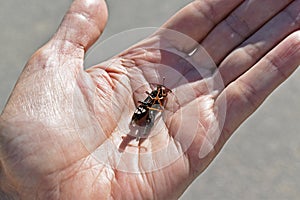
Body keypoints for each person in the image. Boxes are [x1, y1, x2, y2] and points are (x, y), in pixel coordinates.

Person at [0, 0, 299, 199]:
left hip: (145, 115)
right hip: (142, 115)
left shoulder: (157, 99)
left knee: (148, 112)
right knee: (147, 111)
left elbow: (155, 106)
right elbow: (151, 106)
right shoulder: (152, 100)